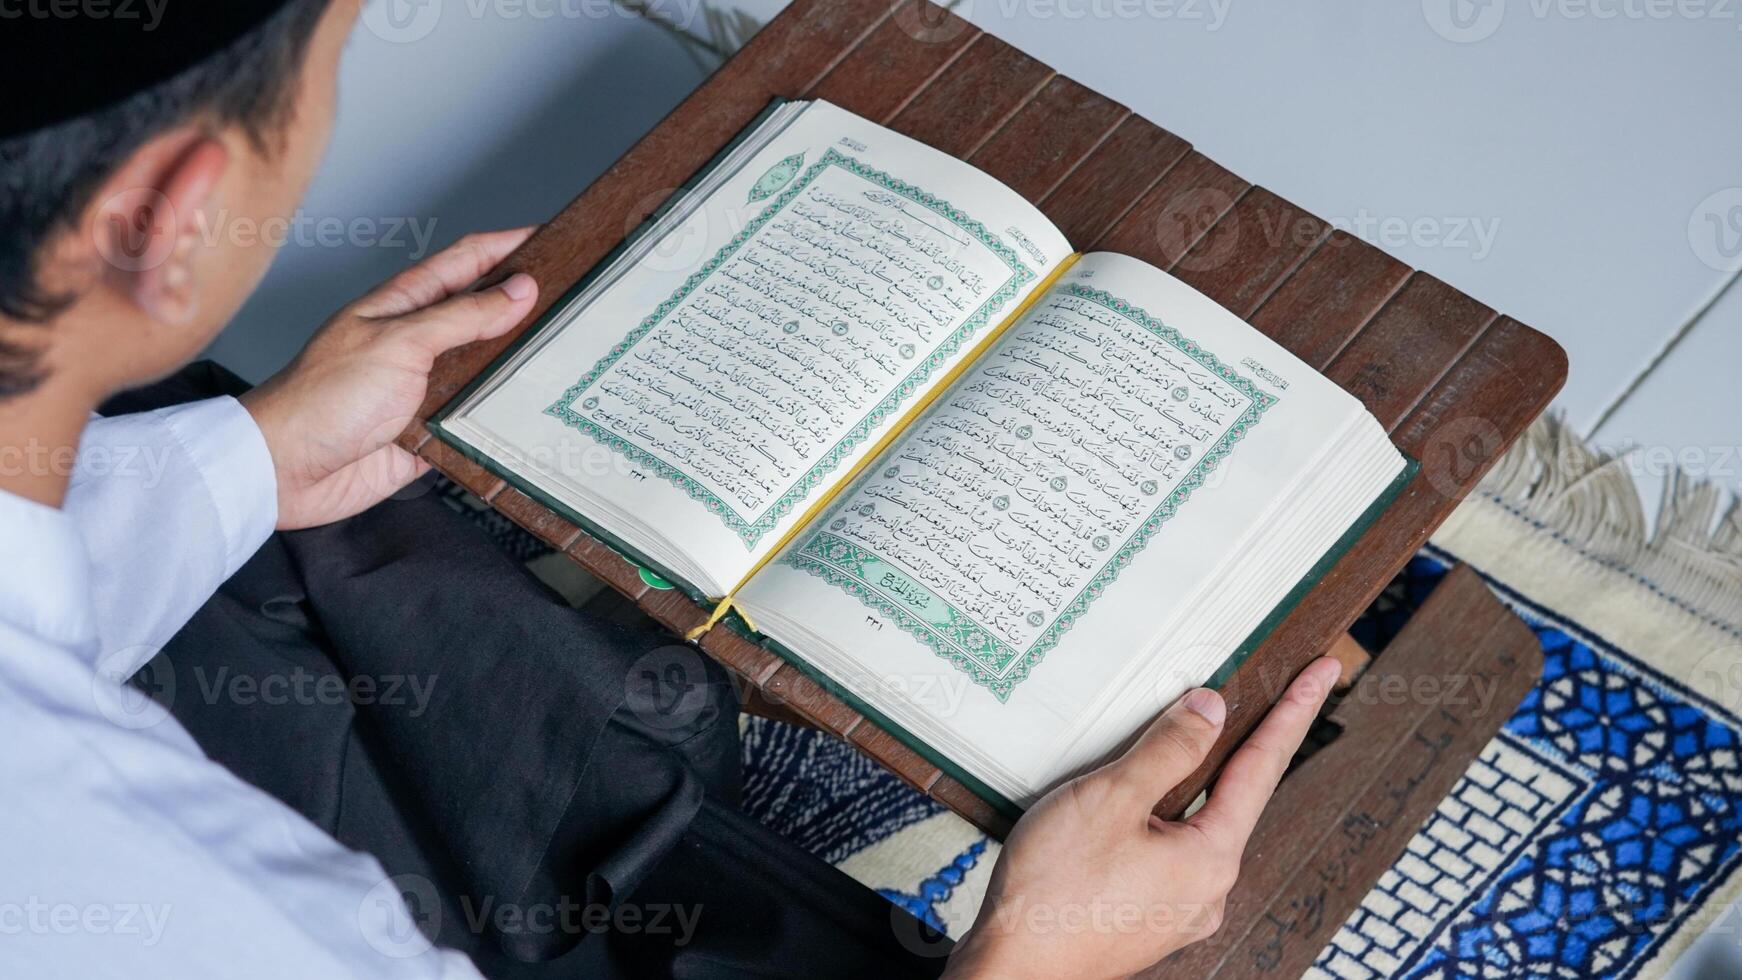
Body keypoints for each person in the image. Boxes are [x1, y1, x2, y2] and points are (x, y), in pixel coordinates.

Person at [0, 1, 1342, 977]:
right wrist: (1034, 964)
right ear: (174, 216)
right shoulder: (231, 911)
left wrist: (251, 457)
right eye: (332, 60)